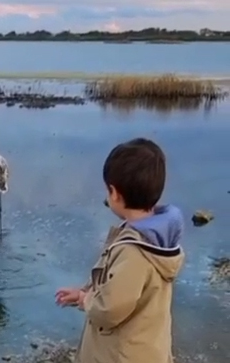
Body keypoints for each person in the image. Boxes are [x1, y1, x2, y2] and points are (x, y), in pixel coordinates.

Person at [55, 137, 184, 363]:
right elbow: (118, 286)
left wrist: (87, 300)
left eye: (107, 190)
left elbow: (110, 309)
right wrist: (84, 292)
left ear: (114, 193)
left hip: (122, 355)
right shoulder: (158, 238)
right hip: (148, 349)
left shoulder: (134, 252)